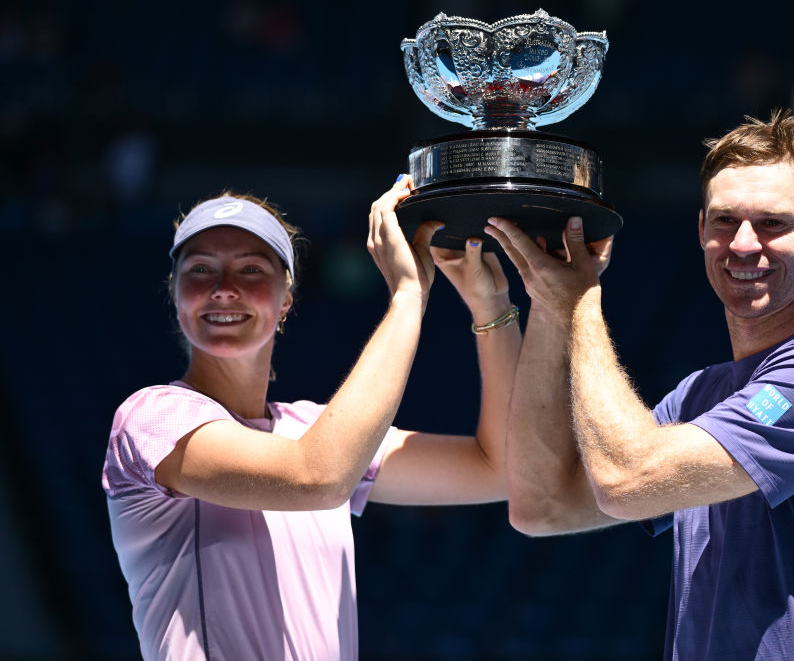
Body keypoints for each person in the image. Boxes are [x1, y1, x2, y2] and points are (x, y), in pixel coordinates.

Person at [486, 109, 794, 659]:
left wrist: (580, 300)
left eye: (773, 223)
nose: (742, 244)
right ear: (700, 230)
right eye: (724, 221)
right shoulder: (698, 397)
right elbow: (541, 506)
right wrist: (549, 303)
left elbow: (626, 477)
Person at [101, 175, 522, 660]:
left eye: (252, 270)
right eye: (200, 270)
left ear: (286, 300)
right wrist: (408, 297)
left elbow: (502, 468)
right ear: (175, 298)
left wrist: (491, 305)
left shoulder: (311, 430)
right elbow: (318, 477)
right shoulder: (153, 416)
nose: (223, 289)